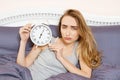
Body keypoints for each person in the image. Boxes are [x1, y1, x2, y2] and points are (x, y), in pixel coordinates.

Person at [16, 9, 101, 80]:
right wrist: (23, 41)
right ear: (60, 28)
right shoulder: (46, 40)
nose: (68, 33)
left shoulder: (80, 47)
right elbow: (23, 65)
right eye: (64, 27)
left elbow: (86, 75)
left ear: (80, 30)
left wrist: (61, 58)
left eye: (74, 28)